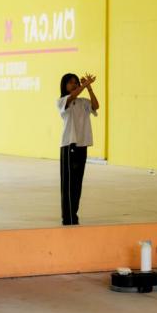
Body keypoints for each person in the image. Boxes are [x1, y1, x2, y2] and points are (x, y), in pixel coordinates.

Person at [57, 72, 98, 225]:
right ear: (64, 85)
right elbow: (72, 97)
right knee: (67, 183)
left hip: (82, 145)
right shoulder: (62, 101)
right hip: (68, 145)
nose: (74, 84)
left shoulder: (83, 101)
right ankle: (67, 217)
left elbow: (96, 106)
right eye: (71, 82)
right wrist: (83, 85)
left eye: (76, 82)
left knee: (77, 183)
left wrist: (90, 89)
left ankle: (74, 214)